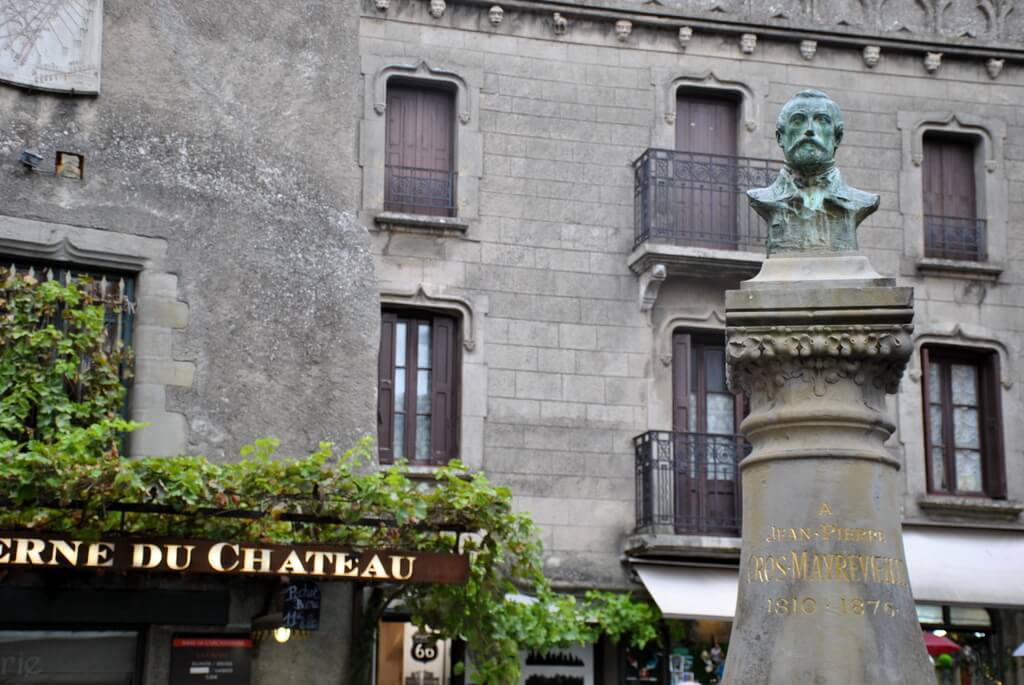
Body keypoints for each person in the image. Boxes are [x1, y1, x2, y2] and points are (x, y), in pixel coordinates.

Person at [747, 89, 879, 255]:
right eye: (797, 121)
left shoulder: (861, 201)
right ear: (781, 137)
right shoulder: (763, 199)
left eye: (822, 121)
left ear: (837, 138)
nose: (809, 130)